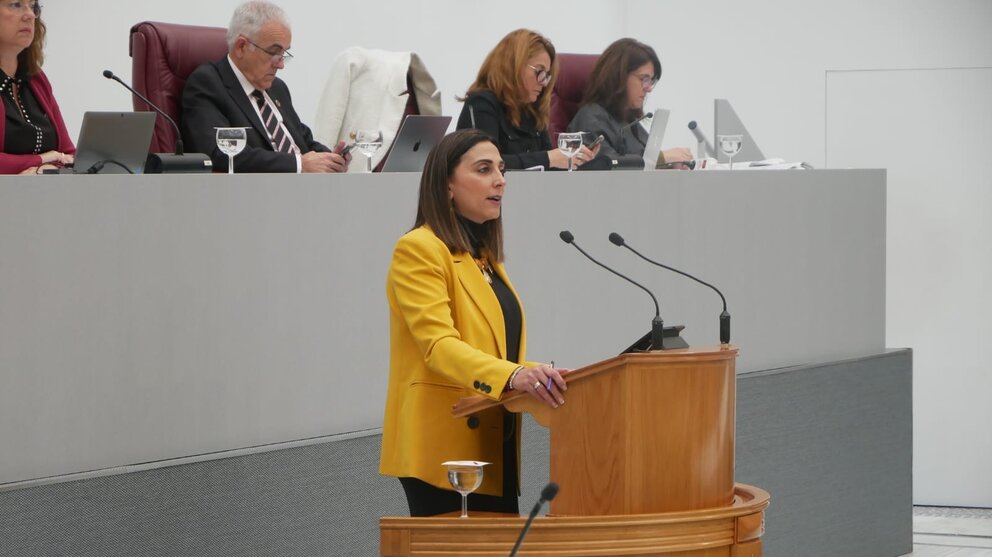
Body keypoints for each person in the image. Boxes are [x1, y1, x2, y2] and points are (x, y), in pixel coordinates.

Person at [379, 129, 567, 517]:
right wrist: (515, 375)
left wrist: (539, 373)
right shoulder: (419, 249)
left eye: (500, 169)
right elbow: (439, 346)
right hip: (444, 451)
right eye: (484, 169)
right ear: (446, 185)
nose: (500, 179)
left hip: (492, 445)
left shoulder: (482, 256)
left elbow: (491, 352)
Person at [181, 1, 349, 173]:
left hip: (307, 190)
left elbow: (303, 141)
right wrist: (298, 165)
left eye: (284, 53)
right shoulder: (208, 84)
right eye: (274, 53)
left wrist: (331, 159)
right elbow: (219, 154)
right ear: (241, 46)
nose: (281, 65)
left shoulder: (278, 88)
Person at [456, 29, 599, 171]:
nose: (544, 83)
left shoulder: (532, 110)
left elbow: (549, 167)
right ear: (512, 66)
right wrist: (549, 158)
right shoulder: (481, 103)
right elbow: (485, 165)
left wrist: (575, 160)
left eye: (547, 76)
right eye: (539, 72)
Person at [567, 38, 692, 169]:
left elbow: (644, 164)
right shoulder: (590, 118)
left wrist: (668, 166)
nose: (648, 88)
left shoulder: (629, 120)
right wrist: (662, 158)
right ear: (619, 76)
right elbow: (607, 166)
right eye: (644, 79)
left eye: (651, 81)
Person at [0, 0, 73, 175]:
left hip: (40, 197)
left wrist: (48, 168)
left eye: (33, 7)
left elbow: (69, 153)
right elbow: (58, 155)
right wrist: (42, 160)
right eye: (16, 5)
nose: (30, 15)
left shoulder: (36, 79)